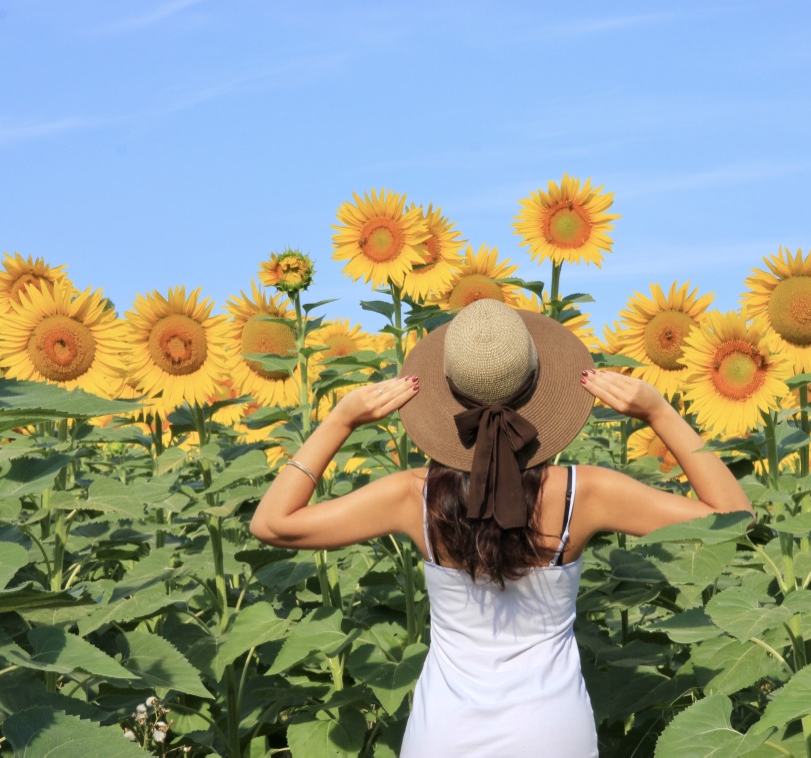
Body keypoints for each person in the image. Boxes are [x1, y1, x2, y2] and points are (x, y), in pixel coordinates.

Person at [250, 299, 754, 757]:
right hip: (553, 734)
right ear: (540, 387)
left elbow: (272, 523)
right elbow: (735, 517)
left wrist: (340, 420)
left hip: (442, 734)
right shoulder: (585, 493)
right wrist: (657, 411)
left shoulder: (413, 496)